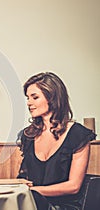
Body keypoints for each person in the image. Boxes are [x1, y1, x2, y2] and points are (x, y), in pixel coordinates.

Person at [17, 72, 96, 210]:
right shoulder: (28, 135)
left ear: (52, 98)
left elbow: (74, 186)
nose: (29, 103)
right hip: (33, 202)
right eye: (28, 98)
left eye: (35, 97)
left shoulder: (78, 135)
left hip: (63, 206)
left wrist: (33, 191)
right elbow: (22, 179)